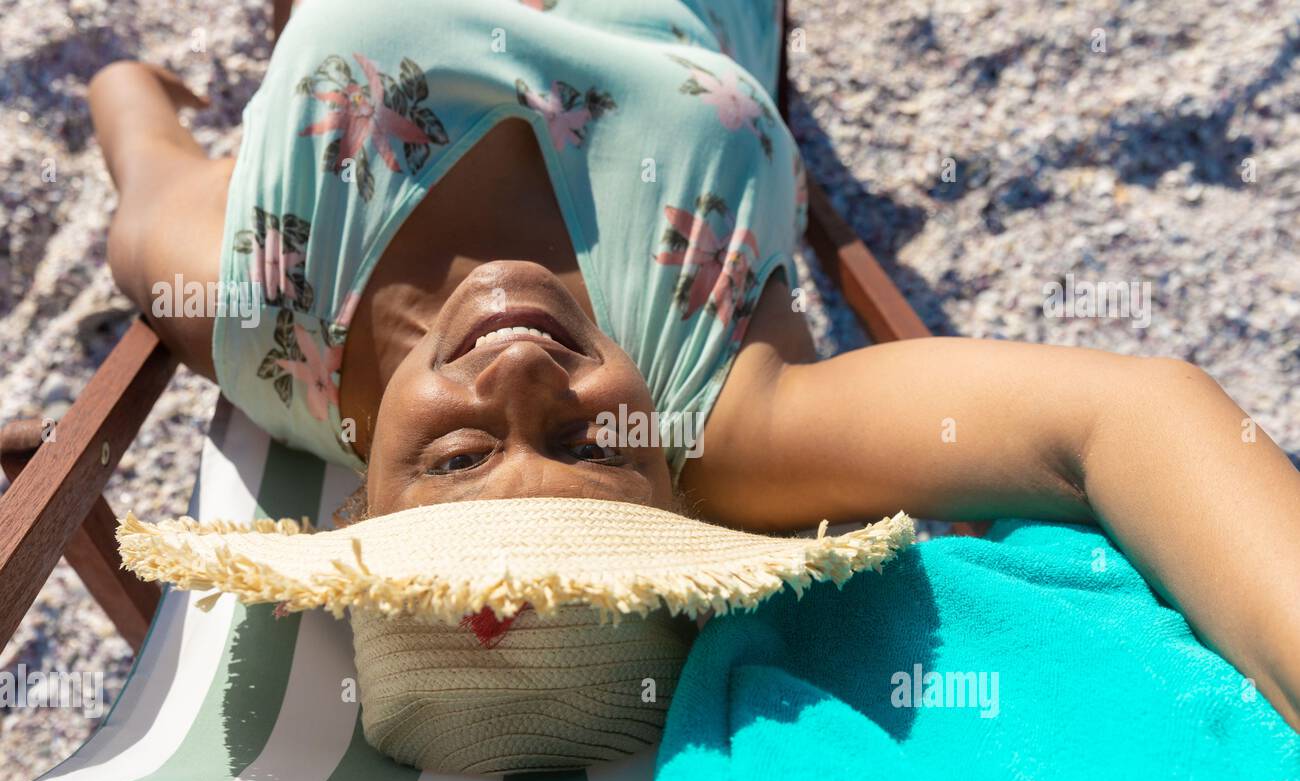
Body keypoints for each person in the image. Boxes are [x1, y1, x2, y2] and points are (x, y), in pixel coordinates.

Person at [87, 0, 1300, 731]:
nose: (524, 381)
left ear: (359, 499)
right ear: (666, 494)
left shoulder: (269, 302)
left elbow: (137, 147)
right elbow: (1119, 420)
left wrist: (135, 84)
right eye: (581, 444)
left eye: (459, 452)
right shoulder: (721, 426)